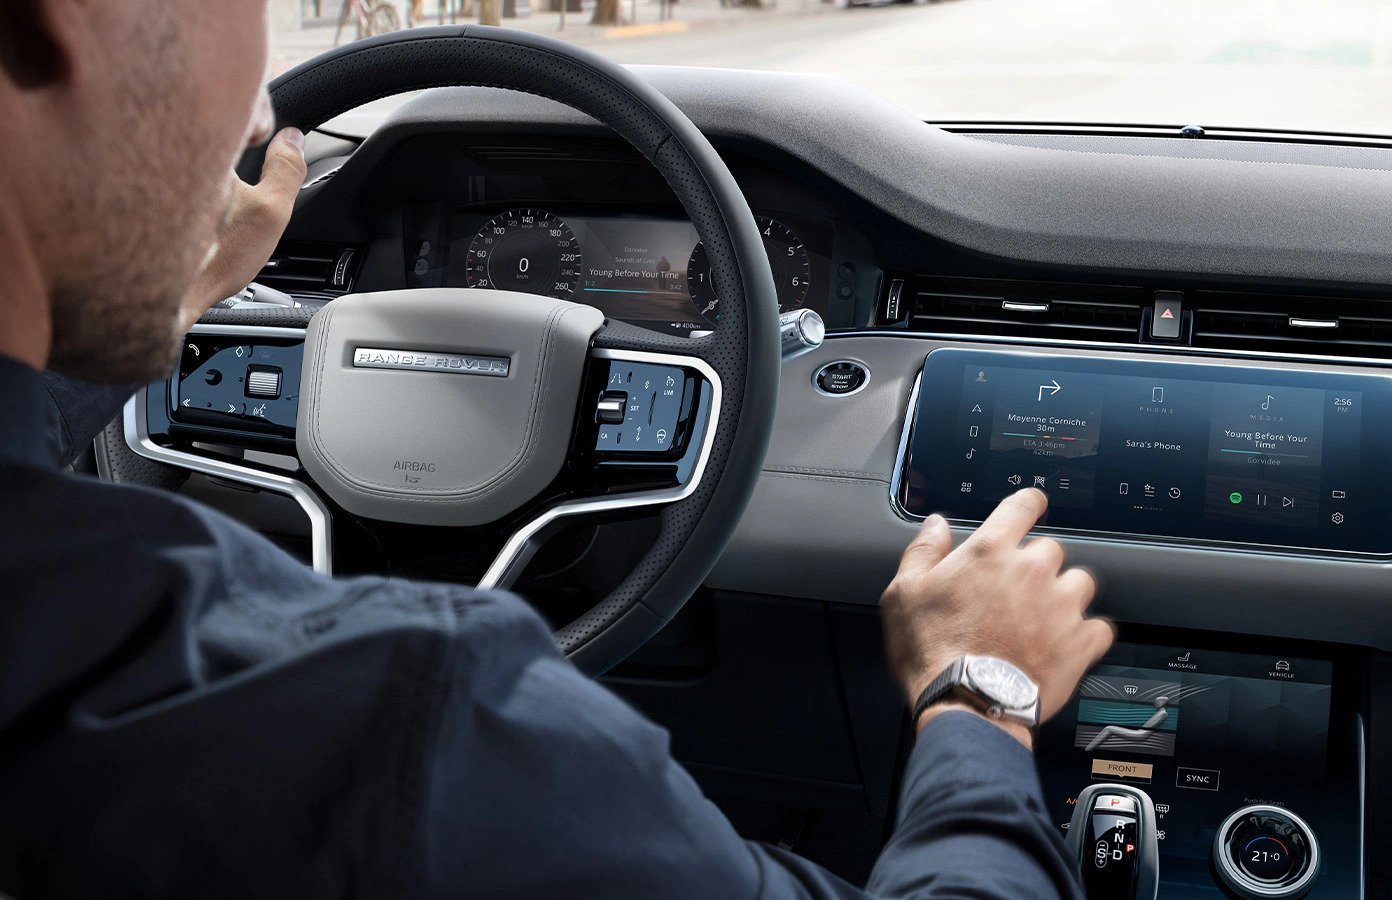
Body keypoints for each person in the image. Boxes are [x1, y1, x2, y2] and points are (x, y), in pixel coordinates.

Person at [0, 1, 1115, 896]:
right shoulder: (409, 726)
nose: (258, 117)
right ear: (56, 29)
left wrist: (141, 305)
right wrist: (982, 689)